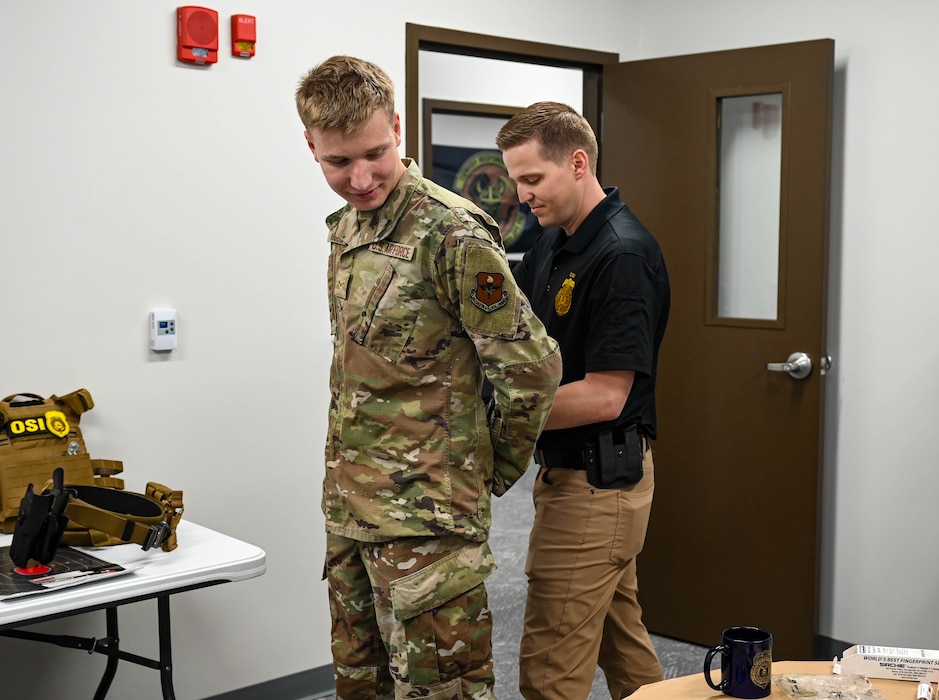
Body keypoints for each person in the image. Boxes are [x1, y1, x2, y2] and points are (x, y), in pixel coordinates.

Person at [294, 56, 562, 700]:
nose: (360, 178)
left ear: (396, 126)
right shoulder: (349, 229)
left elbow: (530, 368)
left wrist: (489, 469)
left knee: (444, 689)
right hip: (353, 510)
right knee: (361, 684)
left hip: (430, 518)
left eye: (374, 154)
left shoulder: (451, 233)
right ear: (310, 147)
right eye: (338, 163)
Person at [496, 102, 670, 700]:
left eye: (532, 179)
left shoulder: (622, 255)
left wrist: (491, 413)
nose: (523, 196)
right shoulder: (554, 243)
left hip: (598, 483)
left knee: (550, 672)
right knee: (623, 647)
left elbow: (603, 395)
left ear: (577, 163)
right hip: (575, 475)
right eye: (517, 181)